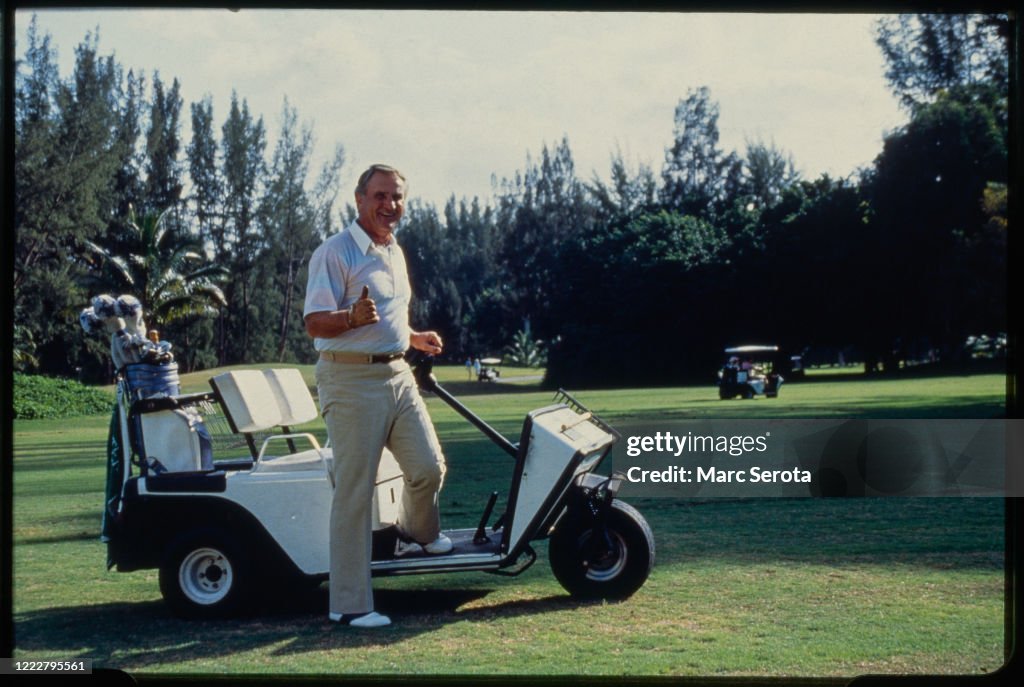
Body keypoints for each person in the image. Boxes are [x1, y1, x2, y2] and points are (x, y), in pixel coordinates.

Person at [303, 164, 450, 629]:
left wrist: (412, 336)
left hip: (397, 373)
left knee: (428, 467)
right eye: (381, 196)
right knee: (355, 492)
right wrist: (349, 317)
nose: (390, 205)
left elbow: (386, 317)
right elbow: (313, 323)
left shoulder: (393, 251)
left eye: (398, 197)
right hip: (348, 382)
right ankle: (348, 605)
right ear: (359, 199)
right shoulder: (334, 252)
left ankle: (419, 532)